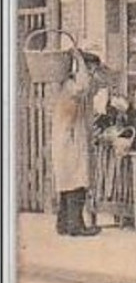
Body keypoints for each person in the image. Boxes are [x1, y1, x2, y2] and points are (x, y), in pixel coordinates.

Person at [48, 50, 105, 237]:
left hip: (67, 136)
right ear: (85, 68)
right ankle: (76, 226)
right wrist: (79, 59)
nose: (94, 72)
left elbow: (93, 88)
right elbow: (85, 84)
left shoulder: (70, 85)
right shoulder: (74, 86)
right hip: (69, 138)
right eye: (93, 68)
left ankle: (64, 223)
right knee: (76, 180)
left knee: (68, 181)